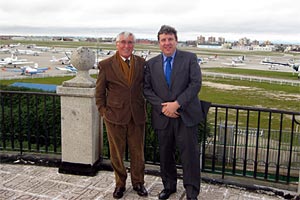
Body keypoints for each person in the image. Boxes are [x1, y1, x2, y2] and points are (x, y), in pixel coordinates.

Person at [144, 25, 206, 200]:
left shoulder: (190, 58)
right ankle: (169, 186)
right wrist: (164, 107)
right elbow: (147, 89)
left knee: (190, 156)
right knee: (165, 154)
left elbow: (195, 84)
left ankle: (192, 192)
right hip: (163, 117)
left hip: (185, 115)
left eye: (170, 39)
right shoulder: (151, 64)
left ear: (176, 41)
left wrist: (177, 104)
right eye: (163, 40)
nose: (167, 43)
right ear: (159, 43)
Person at [95, 31, 148, 199]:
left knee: (138, 153)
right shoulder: (106, 64)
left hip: (137, 116)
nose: (127, 45)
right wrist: (103, 111)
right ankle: (120, 184)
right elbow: (99, 92)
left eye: (130, 42)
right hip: (114, 117)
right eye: (123, 42)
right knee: (116, 153)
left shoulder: (141, 63)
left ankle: (138, 183)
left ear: (134, 44)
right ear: (117, 44)